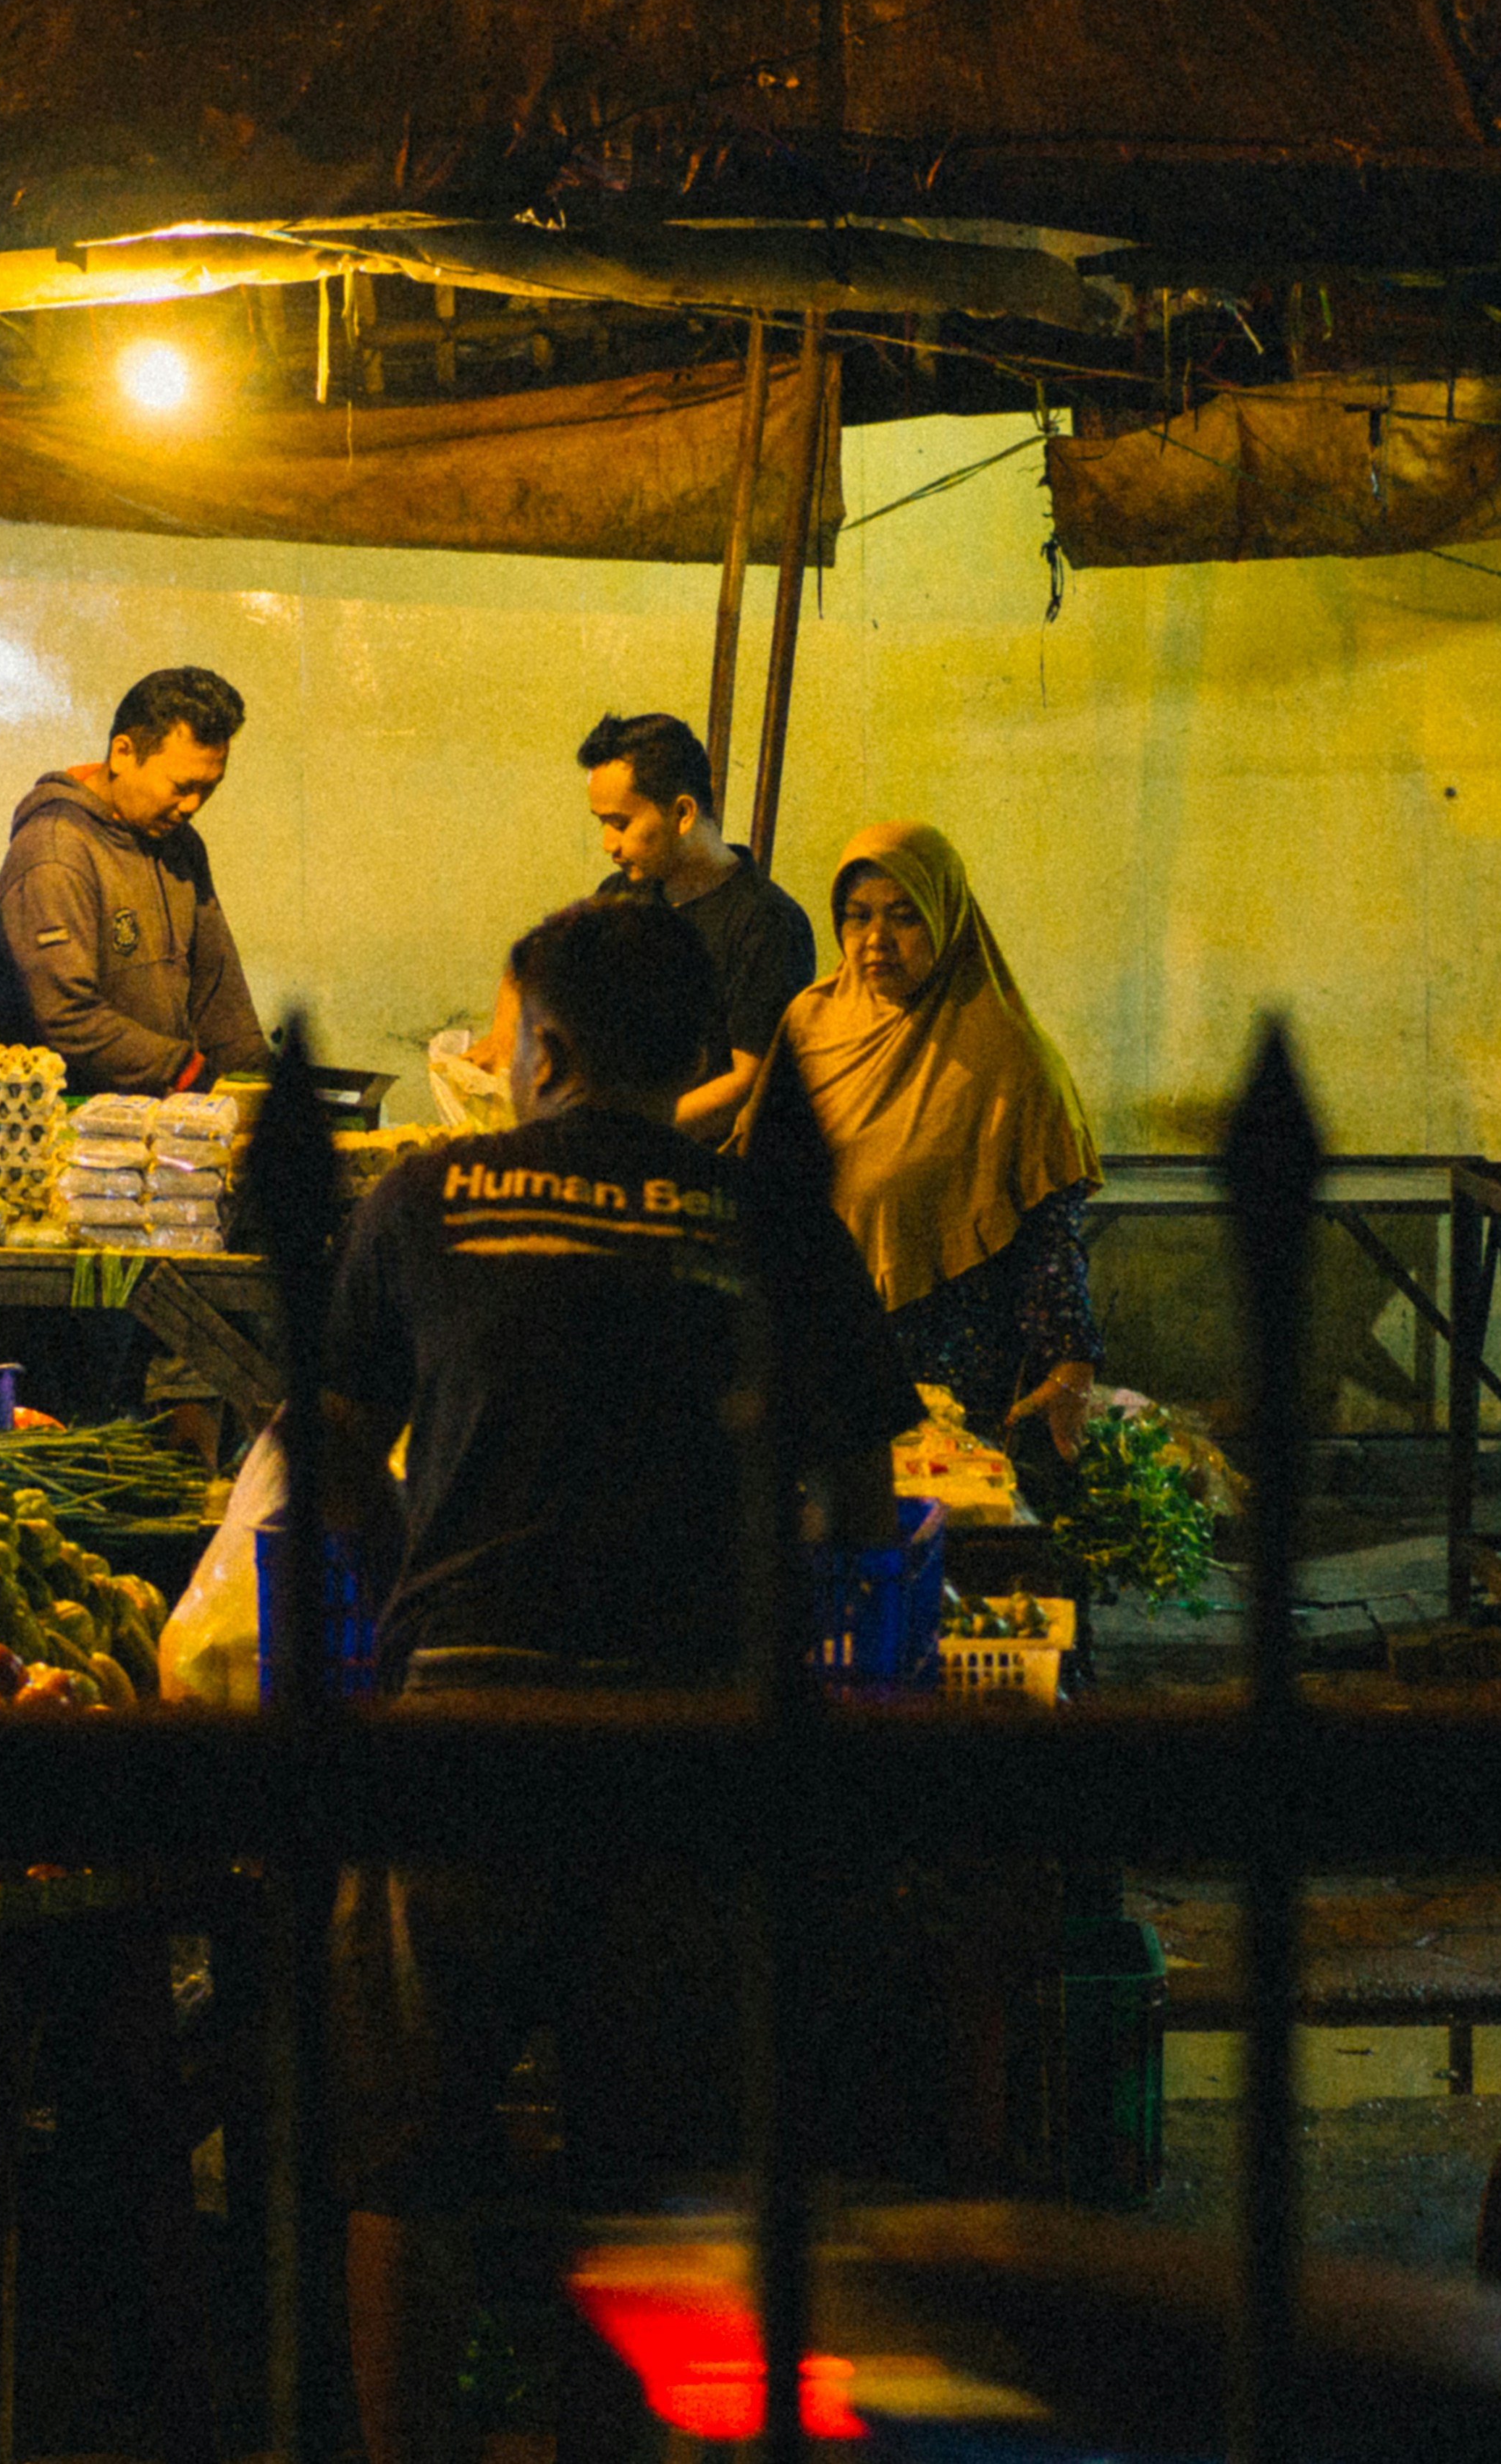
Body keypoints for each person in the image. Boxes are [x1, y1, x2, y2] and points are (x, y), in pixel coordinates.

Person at [320, 893, 916, 2464]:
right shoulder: (765, 1220)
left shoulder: (421, 1196)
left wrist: (402, 1595)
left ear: (550, 1046)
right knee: (644, 2179)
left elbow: (324, 1452)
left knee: (405, 2159)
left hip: (461, 1714)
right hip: (683, 1741)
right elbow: (863, 1498)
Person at [747, 820, 1105, 1476]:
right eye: (857, 917)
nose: (875, 940)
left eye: (904, 916)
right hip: (819, 1341)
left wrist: (1071, 1359)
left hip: (950, 1364)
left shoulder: (1008, 1056)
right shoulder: (811, 1022)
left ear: (946, 915)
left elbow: (1050, 1239)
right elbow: (762, 1180)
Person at [0, 664, 269, 1093]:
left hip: (167, 1122)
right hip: (65, 1126)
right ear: (122, 753)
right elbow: (67, 1018)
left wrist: (267, 1091)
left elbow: (220, 997)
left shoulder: (181, 844)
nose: (193, 804)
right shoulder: (55, 852)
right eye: (181, 785)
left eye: (209, 788)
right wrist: (188, 1072)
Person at [572, 711, 814, 1135]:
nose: (609, 845)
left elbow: (746, 1084)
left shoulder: (768, 924)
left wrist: (631, 1134)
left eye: (620, 823)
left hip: (700, 1170)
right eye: (602, 824)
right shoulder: (620, 894)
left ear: (683, 813)